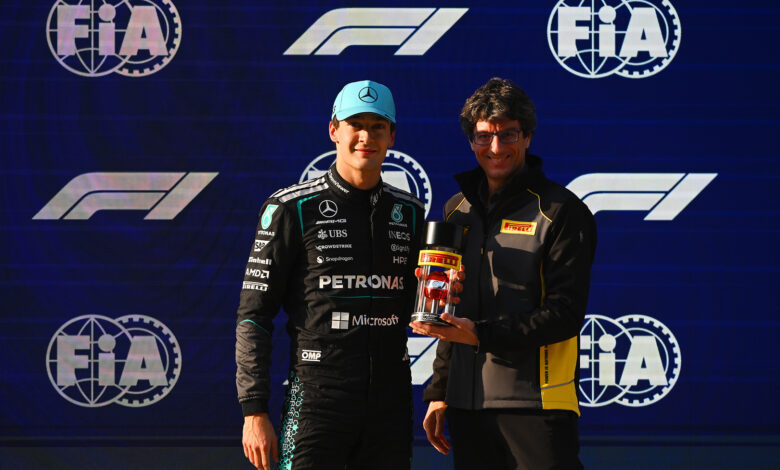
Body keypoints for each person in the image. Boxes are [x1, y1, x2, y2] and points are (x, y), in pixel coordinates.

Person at [236, 80, 425, 470]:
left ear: (392, 136)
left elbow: (422, 306)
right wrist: (254, 411)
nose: (365, 136)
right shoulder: (292, 208)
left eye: (377, 126)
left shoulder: (409, 212)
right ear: (333, 130)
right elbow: (254, 315)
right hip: (318, 398)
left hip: (390, 402)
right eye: (355, 124)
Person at [410, 77, 597, 469]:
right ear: (471, 141)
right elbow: (449, 311)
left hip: (537, 406)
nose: (495, 148)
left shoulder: (562, 211)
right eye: (483, 137)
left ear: (527, 137)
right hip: (467, 406)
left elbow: (565, 314)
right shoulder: (456, 210)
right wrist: (441, 390)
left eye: (507, 135)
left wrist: (480, 334)